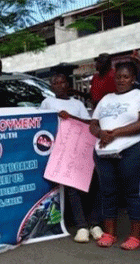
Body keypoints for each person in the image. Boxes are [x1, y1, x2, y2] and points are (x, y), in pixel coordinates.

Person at [90, 61, 140, 250]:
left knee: (133, 192)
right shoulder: (106, 99)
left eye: (125, 77)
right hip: (103, 151)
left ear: (133, 79)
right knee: (108, 192)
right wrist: (101, 133)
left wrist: (113, 133)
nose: (121, 80)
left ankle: (135, 236)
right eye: (118, 77)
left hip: (133, 149)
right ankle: (110, 233)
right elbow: (93, 124)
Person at [39, 73, 103, 243]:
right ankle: (82, 225)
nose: (59, 85)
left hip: (79, 149)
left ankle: (94, 223)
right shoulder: (47, 103)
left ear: (68, 84)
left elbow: (88, 124)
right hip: (59, 152)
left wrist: (71, 117)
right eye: (55, 82)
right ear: (51, 87)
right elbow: (42, 124)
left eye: (62, 82)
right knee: (71, 187)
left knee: (90, 185)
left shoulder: (77, 104)